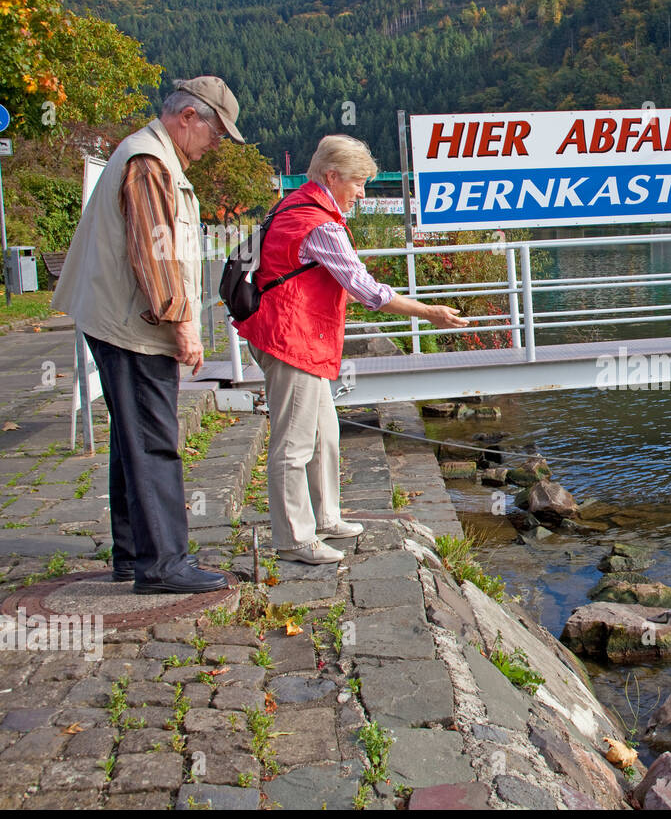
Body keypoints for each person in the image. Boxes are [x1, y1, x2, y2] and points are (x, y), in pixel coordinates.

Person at [233, 135, 468, 564]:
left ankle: (325, 516)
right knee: (295, 443)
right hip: (290, 339)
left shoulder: (295, 205)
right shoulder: (319, 223)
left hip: (293, 335)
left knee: (325, 432)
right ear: (332, 176)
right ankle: (293, 539)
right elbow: (365, 289)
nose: (363, 193)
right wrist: (428, 311)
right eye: (359, 183)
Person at [52, 77, 242, 594]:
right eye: (217, 132)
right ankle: (163, 565)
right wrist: (183, 324)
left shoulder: (149, 155)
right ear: (188, 118)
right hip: (132, 328)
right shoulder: (149, 162)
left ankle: (135, 554)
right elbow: (155, 253)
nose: (216, 143)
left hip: (121, 321)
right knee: (155, 442)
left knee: (132, 440)